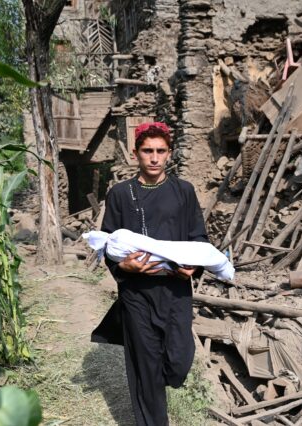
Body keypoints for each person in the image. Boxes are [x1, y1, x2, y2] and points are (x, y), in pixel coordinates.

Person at [91, 121, 208, 425]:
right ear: (136, 154)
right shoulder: (120, 194)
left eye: (160, 151)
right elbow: (108, 242)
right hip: (136, 292)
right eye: (147, 151)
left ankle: (161, 376)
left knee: (179, 359)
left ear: (169, 154)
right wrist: (122, 266)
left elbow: (198, 237)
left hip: (176, 289)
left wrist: (193, 266)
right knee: (145, 368)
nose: (154, 158)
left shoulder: (183, 191)